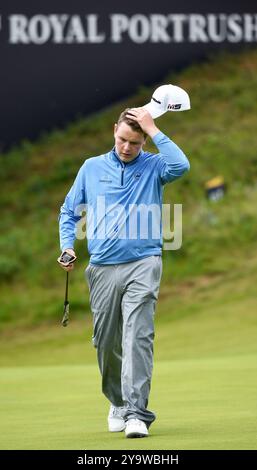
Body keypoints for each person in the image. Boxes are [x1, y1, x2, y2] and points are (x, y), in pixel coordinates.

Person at [58, 107, 190, 438]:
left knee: (138, 336)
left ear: (144, 139)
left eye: (135, 142)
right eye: (122, 139)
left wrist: (154, 129)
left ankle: (137, 413)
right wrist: (68, 245)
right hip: (101, 267)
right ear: (113, 131)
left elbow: (181, 165)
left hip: (143, 262)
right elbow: (69, 211)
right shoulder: (91, 168)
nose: (127, 147)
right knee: (106, 342)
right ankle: (117, 402)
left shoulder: (155, 165)